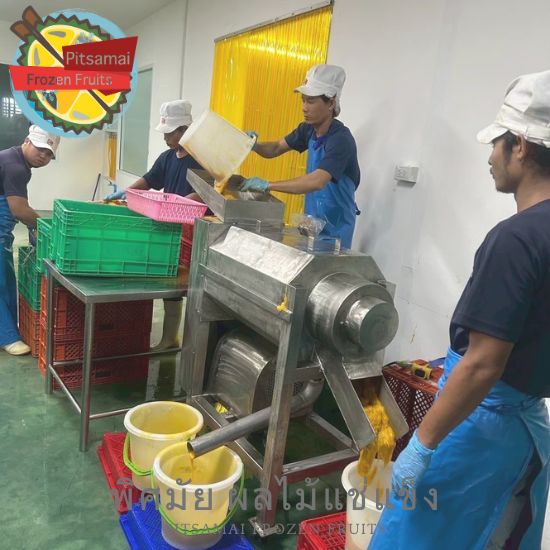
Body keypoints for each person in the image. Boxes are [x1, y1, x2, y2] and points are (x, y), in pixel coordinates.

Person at [369, 71, 550, 550]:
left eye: (496, 143)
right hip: (523, 436)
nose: (489, 157)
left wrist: (422, 446)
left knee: (414, 537)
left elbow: (482, 365)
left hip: (480, 432)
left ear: (521, 146)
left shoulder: (516, 240)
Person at [106, 100, 203, 351]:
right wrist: (126, 192)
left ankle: (192, 346)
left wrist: (178, 202)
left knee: (193, 288)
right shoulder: (167, 157)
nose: (166, 138)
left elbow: (206, 193)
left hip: (195, 231)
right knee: (172, 281)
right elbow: (150, 180)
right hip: (172, 229)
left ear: (184, 130)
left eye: (170, 133)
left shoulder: (202, 159)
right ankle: (170, 339)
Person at [241, 64, 360, 249]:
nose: (304, 108)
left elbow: (317, 181)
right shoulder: (307, 130)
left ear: (331, 103)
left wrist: (268, 185)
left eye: (311, 101)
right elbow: (276, 148)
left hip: (336, 234)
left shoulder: (341, 139)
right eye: (303, 101)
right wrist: (254, 145)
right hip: (311, 227)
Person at [0, 125, 59, 355]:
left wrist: (31, 223)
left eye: (48, 154)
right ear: (26, 141)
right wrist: (45, 226)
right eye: (40, 149)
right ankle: (7, 337)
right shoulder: (15, 166)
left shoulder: (17, 161)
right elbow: (19, 209)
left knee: (6, 277)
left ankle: (8, 330)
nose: (43, 156)